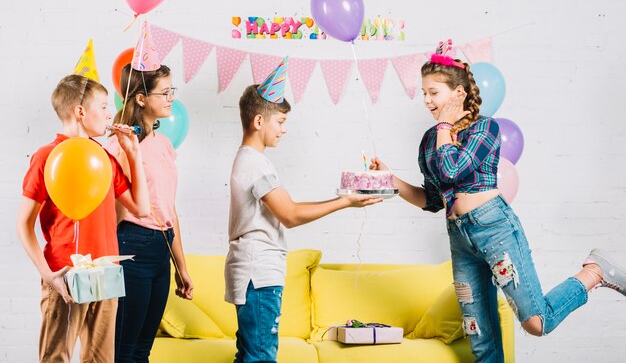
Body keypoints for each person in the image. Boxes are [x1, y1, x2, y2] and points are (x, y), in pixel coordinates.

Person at [370, 40, 626, 363]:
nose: (426, 100)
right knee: (481, 340)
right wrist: (390, 180)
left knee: (537, 321)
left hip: (494, 227)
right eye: (423, 93)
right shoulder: (429, 141)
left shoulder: (484, 129)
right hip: (460, 240)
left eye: (433, 92)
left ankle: (594, 272)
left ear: (458, 94)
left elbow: (452, 170)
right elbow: (432, 199)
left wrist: (446, 126)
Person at [226, 61, 382, 363]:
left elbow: (290, 209)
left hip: (255, 270)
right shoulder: (253, 163)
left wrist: (345, 199)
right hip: (258, 271)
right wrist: (346, 201)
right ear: (259, 121)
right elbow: (291, 215)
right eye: (280, 122)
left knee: (251, 353)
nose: (284, 129)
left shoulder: (252, 160)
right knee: (260, 356)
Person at [16, 74, 150, 363]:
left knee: (101, 359)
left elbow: (142, 209)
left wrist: (133, 152)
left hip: (107, 270)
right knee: (56, 357)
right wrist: (48, 275)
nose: (109, 114)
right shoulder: (46, 157)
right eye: (103, 106)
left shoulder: (104, 157)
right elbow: (23, 224)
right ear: (80, 111)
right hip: (64, 274)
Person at [106, 64, 193, 363]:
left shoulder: (165, 144)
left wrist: (181, 267)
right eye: (164, 92)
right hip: (133, 247)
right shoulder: (122, 146)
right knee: (125, 349)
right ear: (141, 98)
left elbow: (169, 209)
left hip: (161, 248)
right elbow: (114, 210)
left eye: (172, 91)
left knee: (144, 348)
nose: (171, 98)